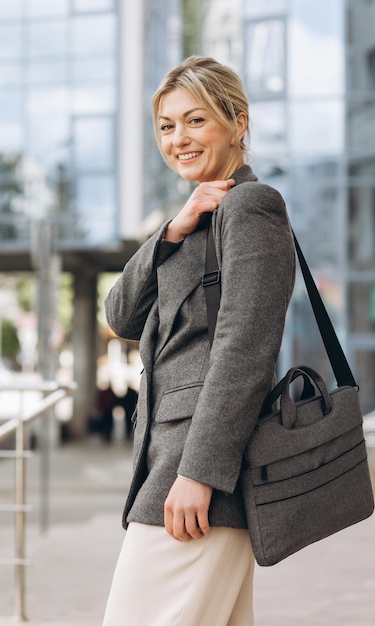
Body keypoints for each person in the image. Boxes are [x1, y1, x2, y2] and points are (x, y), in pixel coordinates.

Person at [102, 56, 295, 625]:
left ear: (238, 124)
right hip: (175, 471)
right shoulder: (197, 221)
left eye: (196, 120)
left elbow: (245, 346)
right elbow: (120, 314)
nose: (178, 138)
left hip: (195, 480)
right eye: (166, 125)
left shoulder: (250, 207)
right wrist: (170, 230)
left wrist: (199, 473)